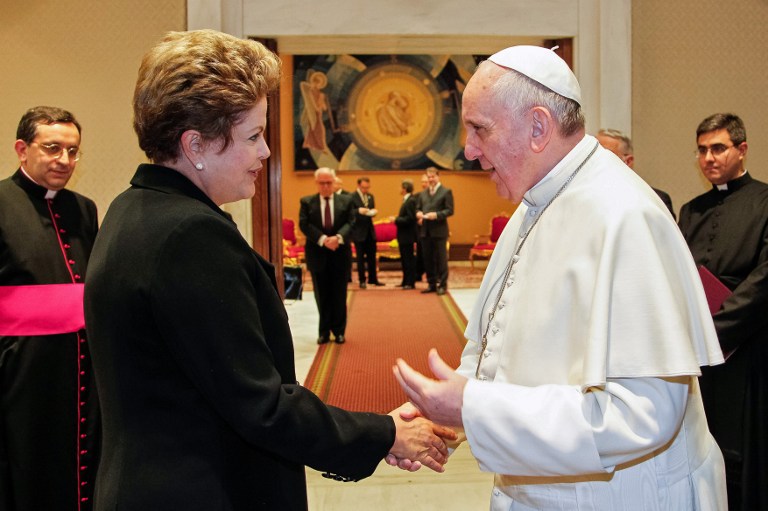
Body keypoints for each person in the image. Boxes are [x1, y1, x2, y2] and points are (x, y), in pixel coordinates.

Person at [83, 30, 455, 511]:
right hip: (200, 489)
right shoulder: (189, 236)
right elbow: (260, 405)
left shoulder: (131, 208)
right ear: (195, 143)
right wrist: (385, 434)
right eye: (254, 136)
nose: (265, 153)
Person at [390, 45, 727, 510]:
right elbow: (500, 347)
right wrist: (444, 413)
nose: (467, 150)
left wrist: (475, 408)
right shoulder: (536, 203)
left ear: (537, 126)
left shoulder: (623, 216)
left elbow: (642, 414)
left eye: (479, 130)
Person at [0, 106, 100, 511]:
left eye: (73, 151)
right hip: (21, 365)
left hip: (82, 362)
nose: (65, 160)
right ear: (22, 149)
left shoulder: (85, 208)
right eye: (53, 148)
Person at [678, 113, 768, 511]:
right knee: (700, 445)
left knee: (742, 452)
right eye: (702, 150)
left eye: (718, 148)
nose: (709, 158)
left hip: (747, 346)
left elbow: (764, 279)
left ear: (742, 149)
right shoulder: (690, 210)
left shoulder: (765, 201)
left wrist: (716, 332)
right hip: (698, 351)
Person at [300, 167, 356, 343]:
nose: (325, 186)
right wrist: (324, 239)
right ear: (317, 183)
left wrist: (337, 238)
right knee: (321, 295)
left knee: (339, 294)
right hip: (318, 255)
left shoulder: (346, 201)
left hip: (340, 254)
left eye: (328, 183)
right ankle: (324, 331)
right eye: (322, 183)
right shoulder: (307, 202)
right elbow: (304, 224)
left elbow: (352, 222)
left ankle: (339, 331)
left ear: (334, 182)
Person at [596, 128, 676, 218]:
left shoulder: (655, 200)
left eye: (606, 155)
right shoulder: (584, 195)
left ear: (628, 161)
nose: (596, 160)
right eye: (594, 154)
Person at [416, 167, 453, 295]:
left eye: (433, 177)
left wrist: (436, 215)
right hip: (425, 231)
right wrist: (419, 213)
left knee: (441, 260)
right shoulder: (423, 193)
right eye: (429, 177)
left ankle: (442, 285)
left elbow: (450, 210)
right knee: (428, 259)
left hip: (439, 231)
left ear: (438, 177)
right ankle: (431, 284)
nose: (431, 179)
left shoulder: (446, 191)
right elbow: (418, 208)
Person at [350, 176, 384, 288]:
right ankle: (362, 280)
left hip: (370, 231)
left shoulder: (370, 196)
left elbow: (372, 209)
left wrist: (373, 212)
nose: (366, 189)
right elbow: (349, 212)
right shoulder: (352, 197)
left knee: (371, 257)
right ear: (359, 185)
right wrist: (359, 211)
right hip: (358, 231)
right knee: (360, 258)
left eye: (367, 187)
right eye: (364, 187)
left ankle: (373, 279)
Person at [394, 179, 418, 289]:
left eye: (400, 187)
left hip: (407, 236)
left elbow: (410, 218)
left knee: (408, 259)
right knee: (404, 259)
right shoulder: (406, 200)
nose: (399, 189)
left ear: (404, 189)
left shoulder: (411, 200)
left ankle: (410, 282)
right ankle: (405, 281)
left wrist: (396, 219)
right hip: (403, 236)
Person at [414, 173, 429, 281]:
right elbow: (414, 210)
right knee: (420, 252)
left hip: (432, 228)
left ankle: (431, 275)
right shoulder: (417, 196)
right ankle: (418, 274)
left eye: (426, 181)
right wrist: (418, 216)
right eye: (422, 182)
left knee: (431, 254)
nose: (424, 184)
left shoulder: (435, 195)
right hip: (420, 229)